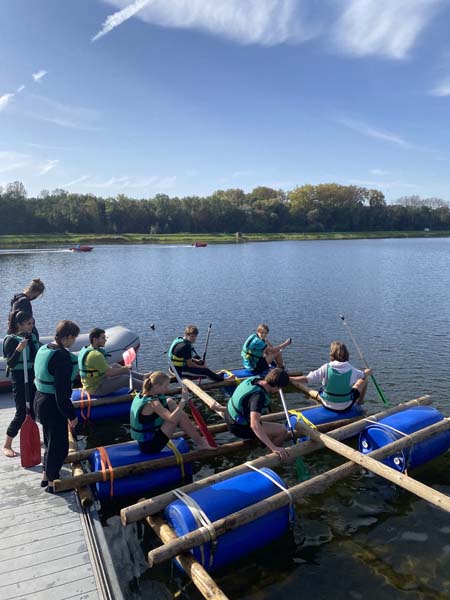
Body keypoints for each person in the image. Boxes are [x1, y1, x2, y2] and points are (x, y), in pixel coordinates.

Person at [34, 320, 80, 493]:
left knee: (49, 441)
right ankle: (54, 483)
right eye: (73, 338)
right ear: (67, 337)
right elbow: (62, 393)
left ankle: (46, 475)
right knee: (60, 445)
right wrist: (72, 415)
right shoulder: (62, 356)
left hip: (39, 400)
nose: (74, 342)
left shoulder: (44, 348)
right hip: (52, 404)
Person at [130, 371, 214, 453]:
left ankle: (191, 429)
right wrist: (183, 400)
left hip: (147, 439)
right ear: (156, 386)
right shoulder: (153, 403)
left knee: (170, 401)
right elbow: (172, 419)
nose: (167, 389)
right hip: (150, 446)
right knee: (178, 416)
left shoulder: (142, 394)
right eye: (165, 386)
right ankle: (201, 443)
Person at [225, 367, 291, 459]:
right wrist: (274, 447)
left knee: (268, 426)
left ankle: (265, 441)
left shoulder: (255, 379)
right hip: (238, 426)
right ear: (276, 386)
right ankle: (271, 456)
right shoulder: (259, 396)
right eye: (280, 388)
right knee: (282, 431)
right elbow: (254, 425)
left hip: (229, 415)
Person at [290, 341, 371, 412]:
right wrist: (368, 372)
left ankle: (356, 403)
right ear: (346, 354)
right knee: (364, 380)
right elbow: (363, 375)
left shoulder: (326, 367)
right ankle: (359, 403)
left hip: (326, 404)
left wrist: (289, 378)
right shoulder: (352, 369)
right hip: (345, 406)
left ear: (332, 353)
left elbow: (307, 379)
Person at [2, 310, 41, 457]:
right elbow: (11, 363)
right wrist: (19, 350)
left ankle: (33, 437)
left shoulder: (31, 337)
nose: (32, 326)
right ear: (19, 324)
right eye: (29, 324)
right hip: (19, 378)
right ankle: (7, 445)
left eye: (32, 323)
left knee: (33, 409)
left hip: (32, 377)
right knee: (21, 413)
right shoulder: (11, 340)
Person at [78, 327, 148, 396]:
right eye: (103, 338)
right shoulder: (95, 355)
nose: (105, 340)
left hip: (93, 382)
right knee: (124, 379)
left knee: (115, 365)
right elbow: (110, 373)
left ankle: (143, 377)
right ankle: (149, 388)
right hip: (96, 388)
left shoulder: (87, 349)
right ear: (95, 339)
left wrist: (124, 369)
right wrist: (126, 368)